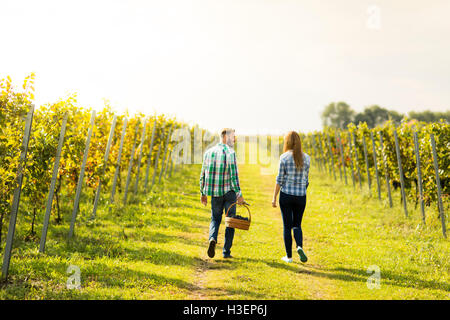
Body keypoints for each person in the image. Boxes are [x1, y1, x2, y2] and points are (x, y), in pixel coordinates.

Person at [200, 128, 244, 259]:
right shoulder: (230, 153)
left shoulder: (209, 152)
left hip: (215, 193)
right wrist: (239, 194)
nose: (234, 140)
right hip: (229, 192)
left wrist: (202, 192)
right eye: (232, 137)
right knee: (230, 221)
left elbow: (202, 174)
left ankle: (212, 238)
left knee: (215, 218)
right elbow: (234, 176)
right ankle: (226, 252)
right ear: (225, 137)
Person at [272, 131, 310, 263]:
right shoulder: (307, 158)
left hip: (286, 195)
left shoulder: (284, 158)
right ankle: (299, 246)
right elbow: (306, 180)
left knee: (287, 226)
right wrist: (301, 191)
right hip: (301, 196)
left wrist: (274, 197)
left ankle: (288, 257)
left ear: (287, 142)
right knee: (297, 225)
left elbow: (279, 179)